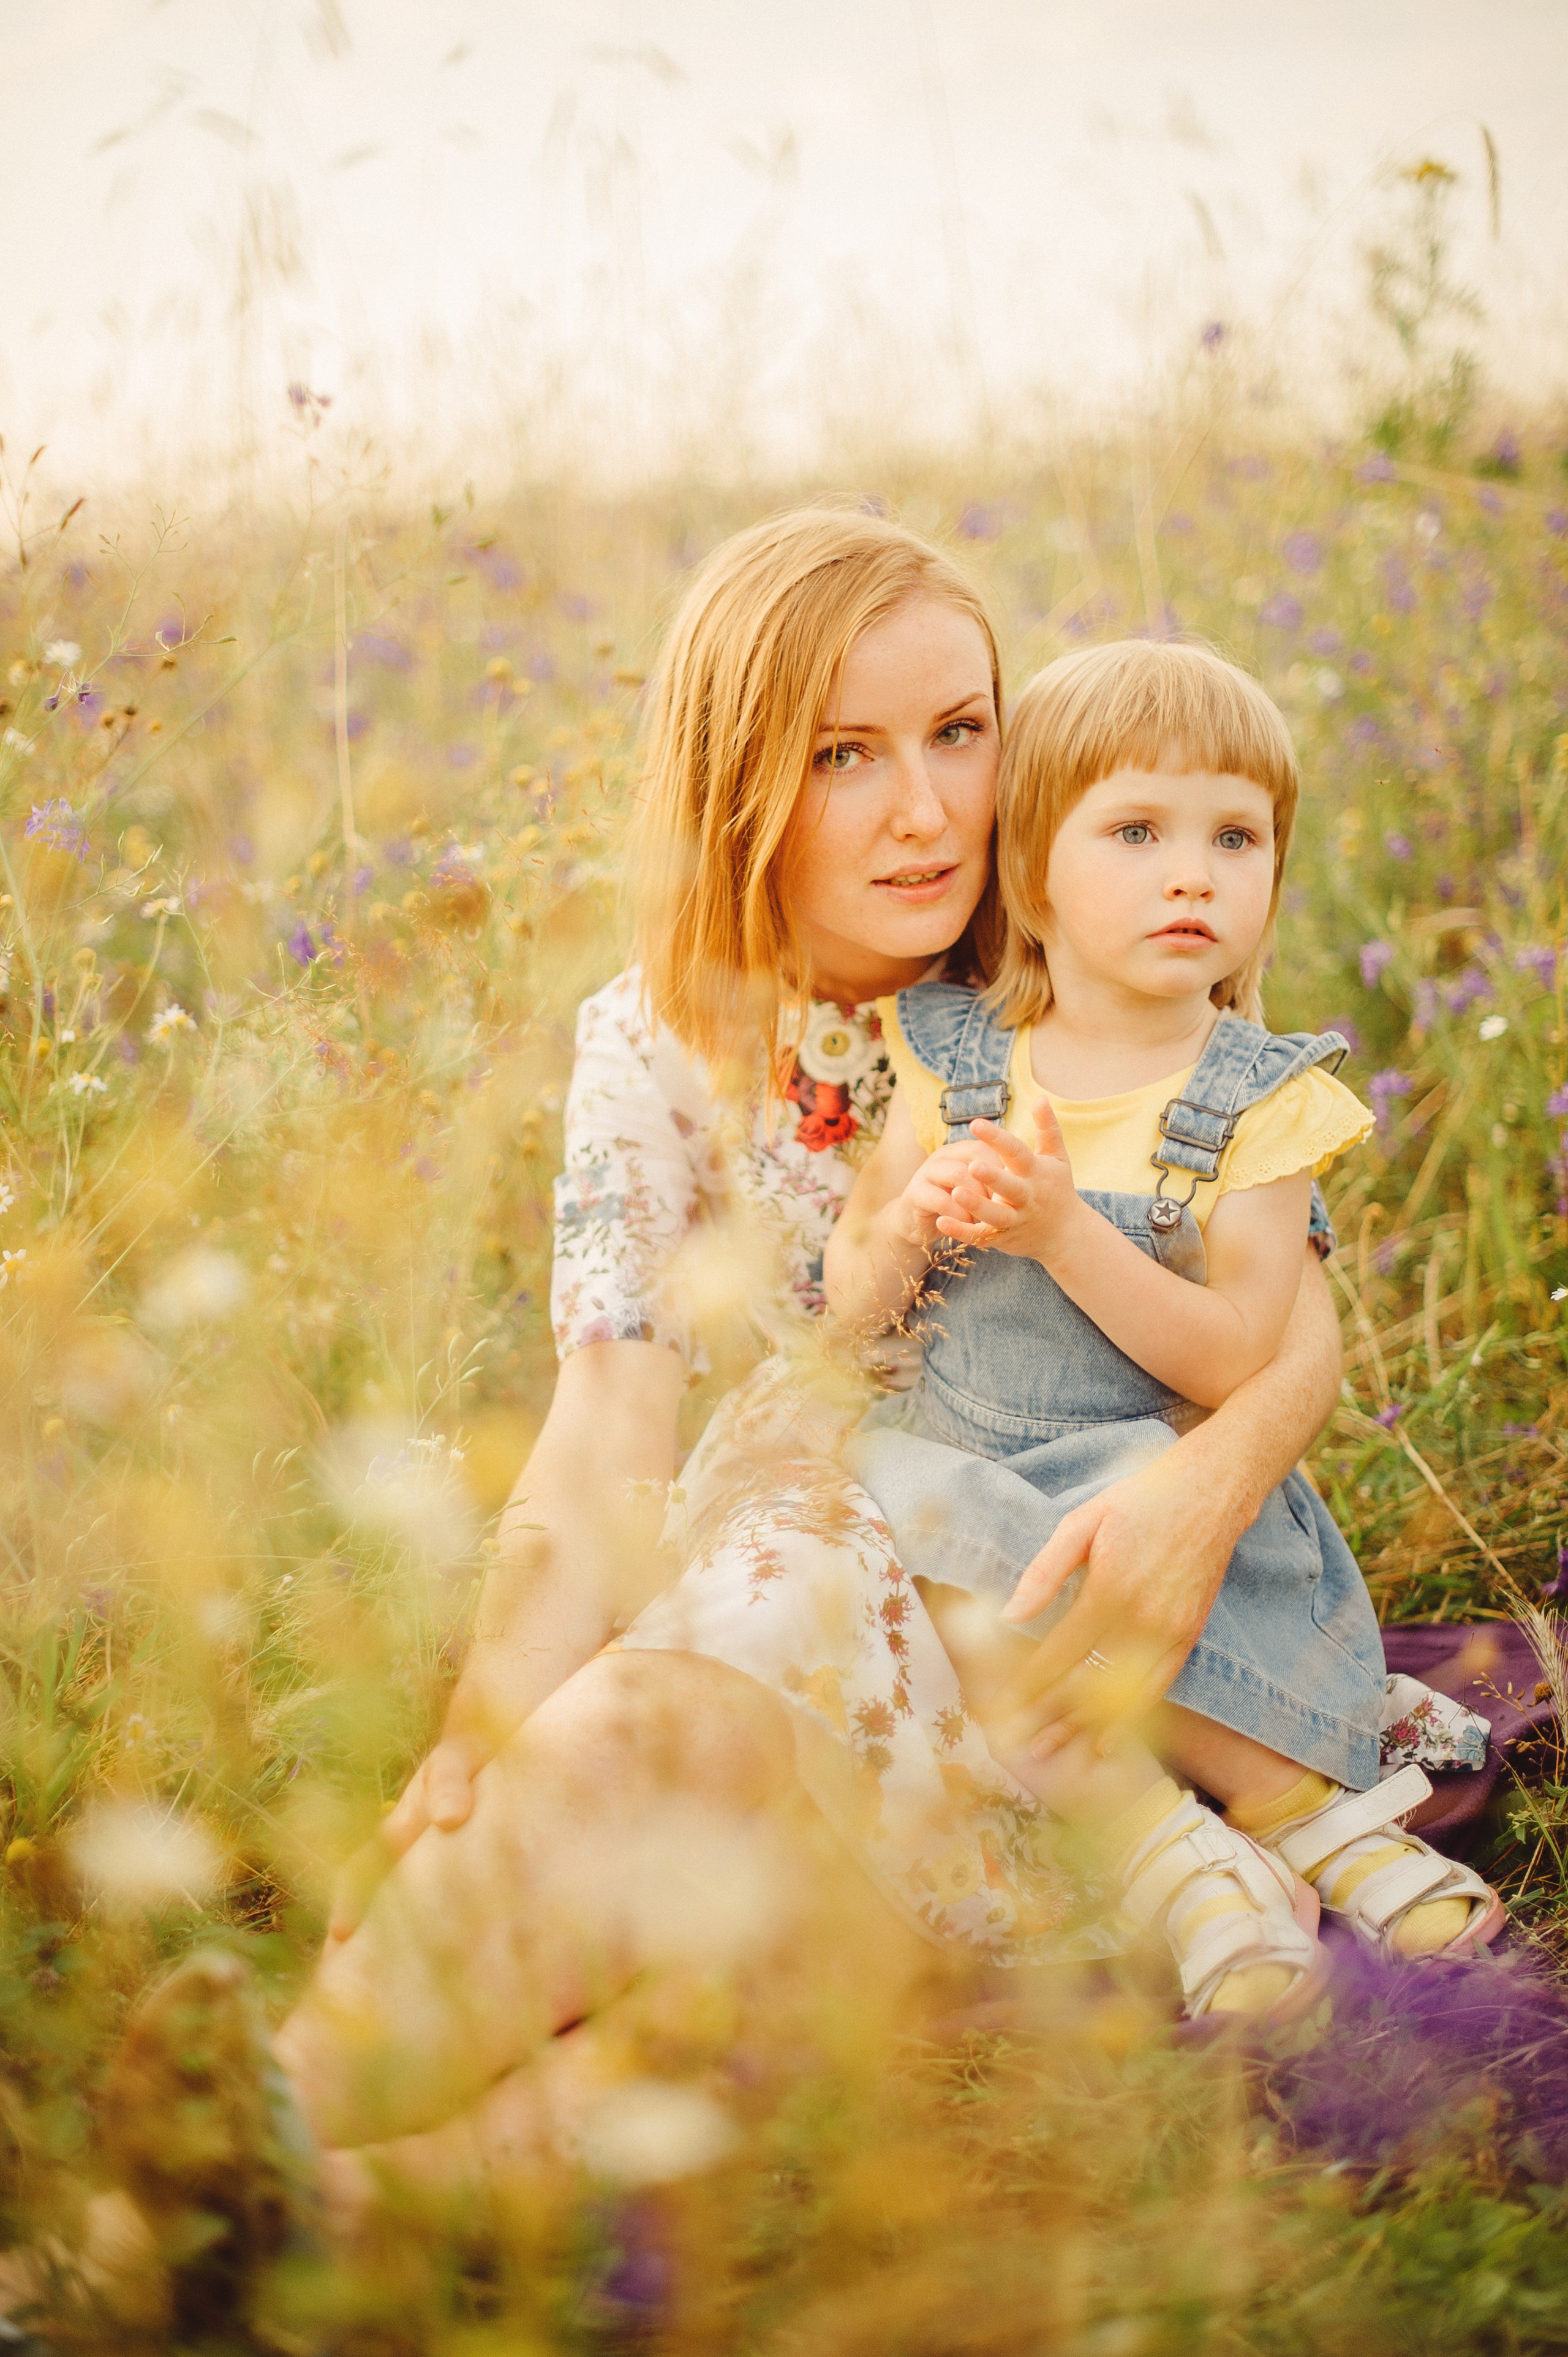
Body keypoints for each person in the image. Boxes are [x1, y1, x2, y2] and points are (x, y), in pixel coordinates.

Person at [104, 513, 1377, 2294]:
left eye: (959, 730)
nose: (929, 811)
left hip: (1028, 1626)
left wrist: (1208, 1490)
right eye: (845, 757)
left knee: (727, 1976)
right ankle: (232, 2185)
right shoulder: (654, 1042)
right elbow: (608, 1413)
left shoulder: (1075, 932)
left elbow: (1287, 1317)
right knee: (648, 1736)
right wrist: (485, 1717)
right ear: (739, 784)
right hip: (772, 1606)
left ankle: (227, 2210)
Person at [824, 637, 1502, 2001]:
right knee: (942, 1573)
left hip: (1153, 1467)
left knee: (1134, 1554)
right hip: (966, 1464)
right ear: (1034, 876)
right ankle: (1169, 1859)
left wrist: (1063, 1235)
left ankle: (1299, 1814)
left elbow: (1236, 1350)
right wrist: (907, 1225)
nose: (1191, 870)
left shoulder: (1259, 1100)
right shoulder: (956, 1058)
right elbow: (847, 1305)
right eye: (1134, 829)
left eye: (1234, 836)